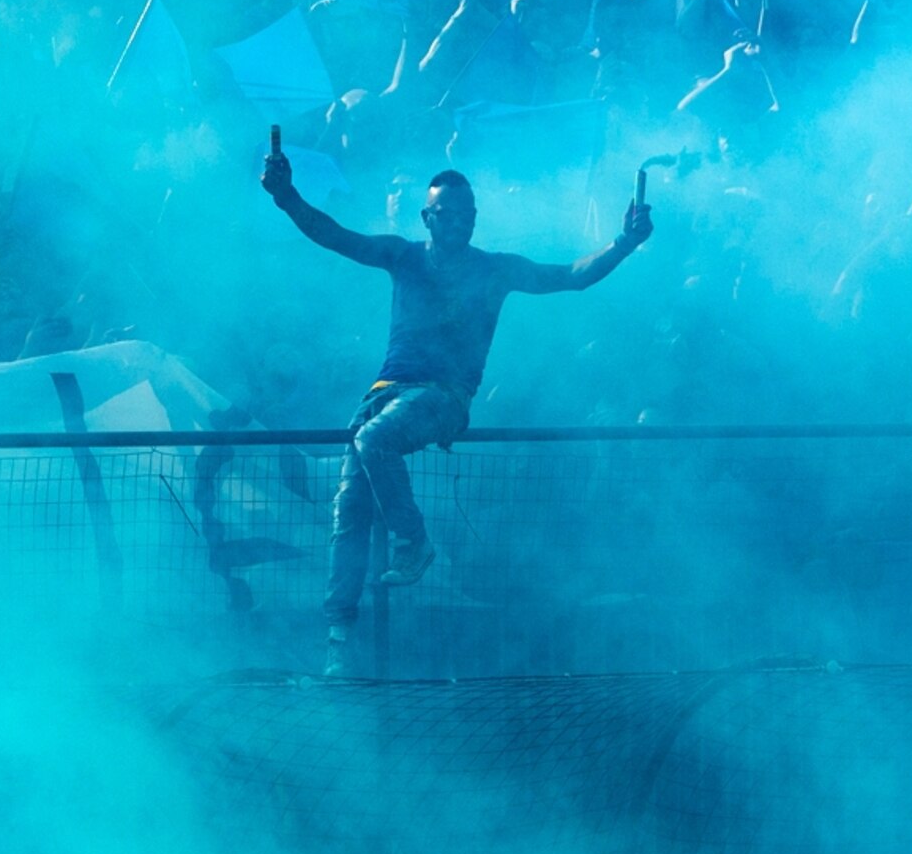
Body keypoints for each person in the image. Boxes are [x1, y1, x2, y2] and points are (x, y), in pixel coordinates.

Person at [258, 145, 652, 673]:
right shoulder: (402, 256)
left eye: (468, 216)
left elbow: (572, 275)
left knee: (373, 441)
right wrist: (286, 196)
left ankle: (414, 541)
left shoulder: (495, 270)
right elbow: (335, 235)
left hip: (443, 397)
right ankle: (338, 642)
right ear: (428, 217)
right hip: (384, 392)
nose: (460, 224)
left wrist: (624, 242)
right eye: (449, 215)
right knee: (349, 505)